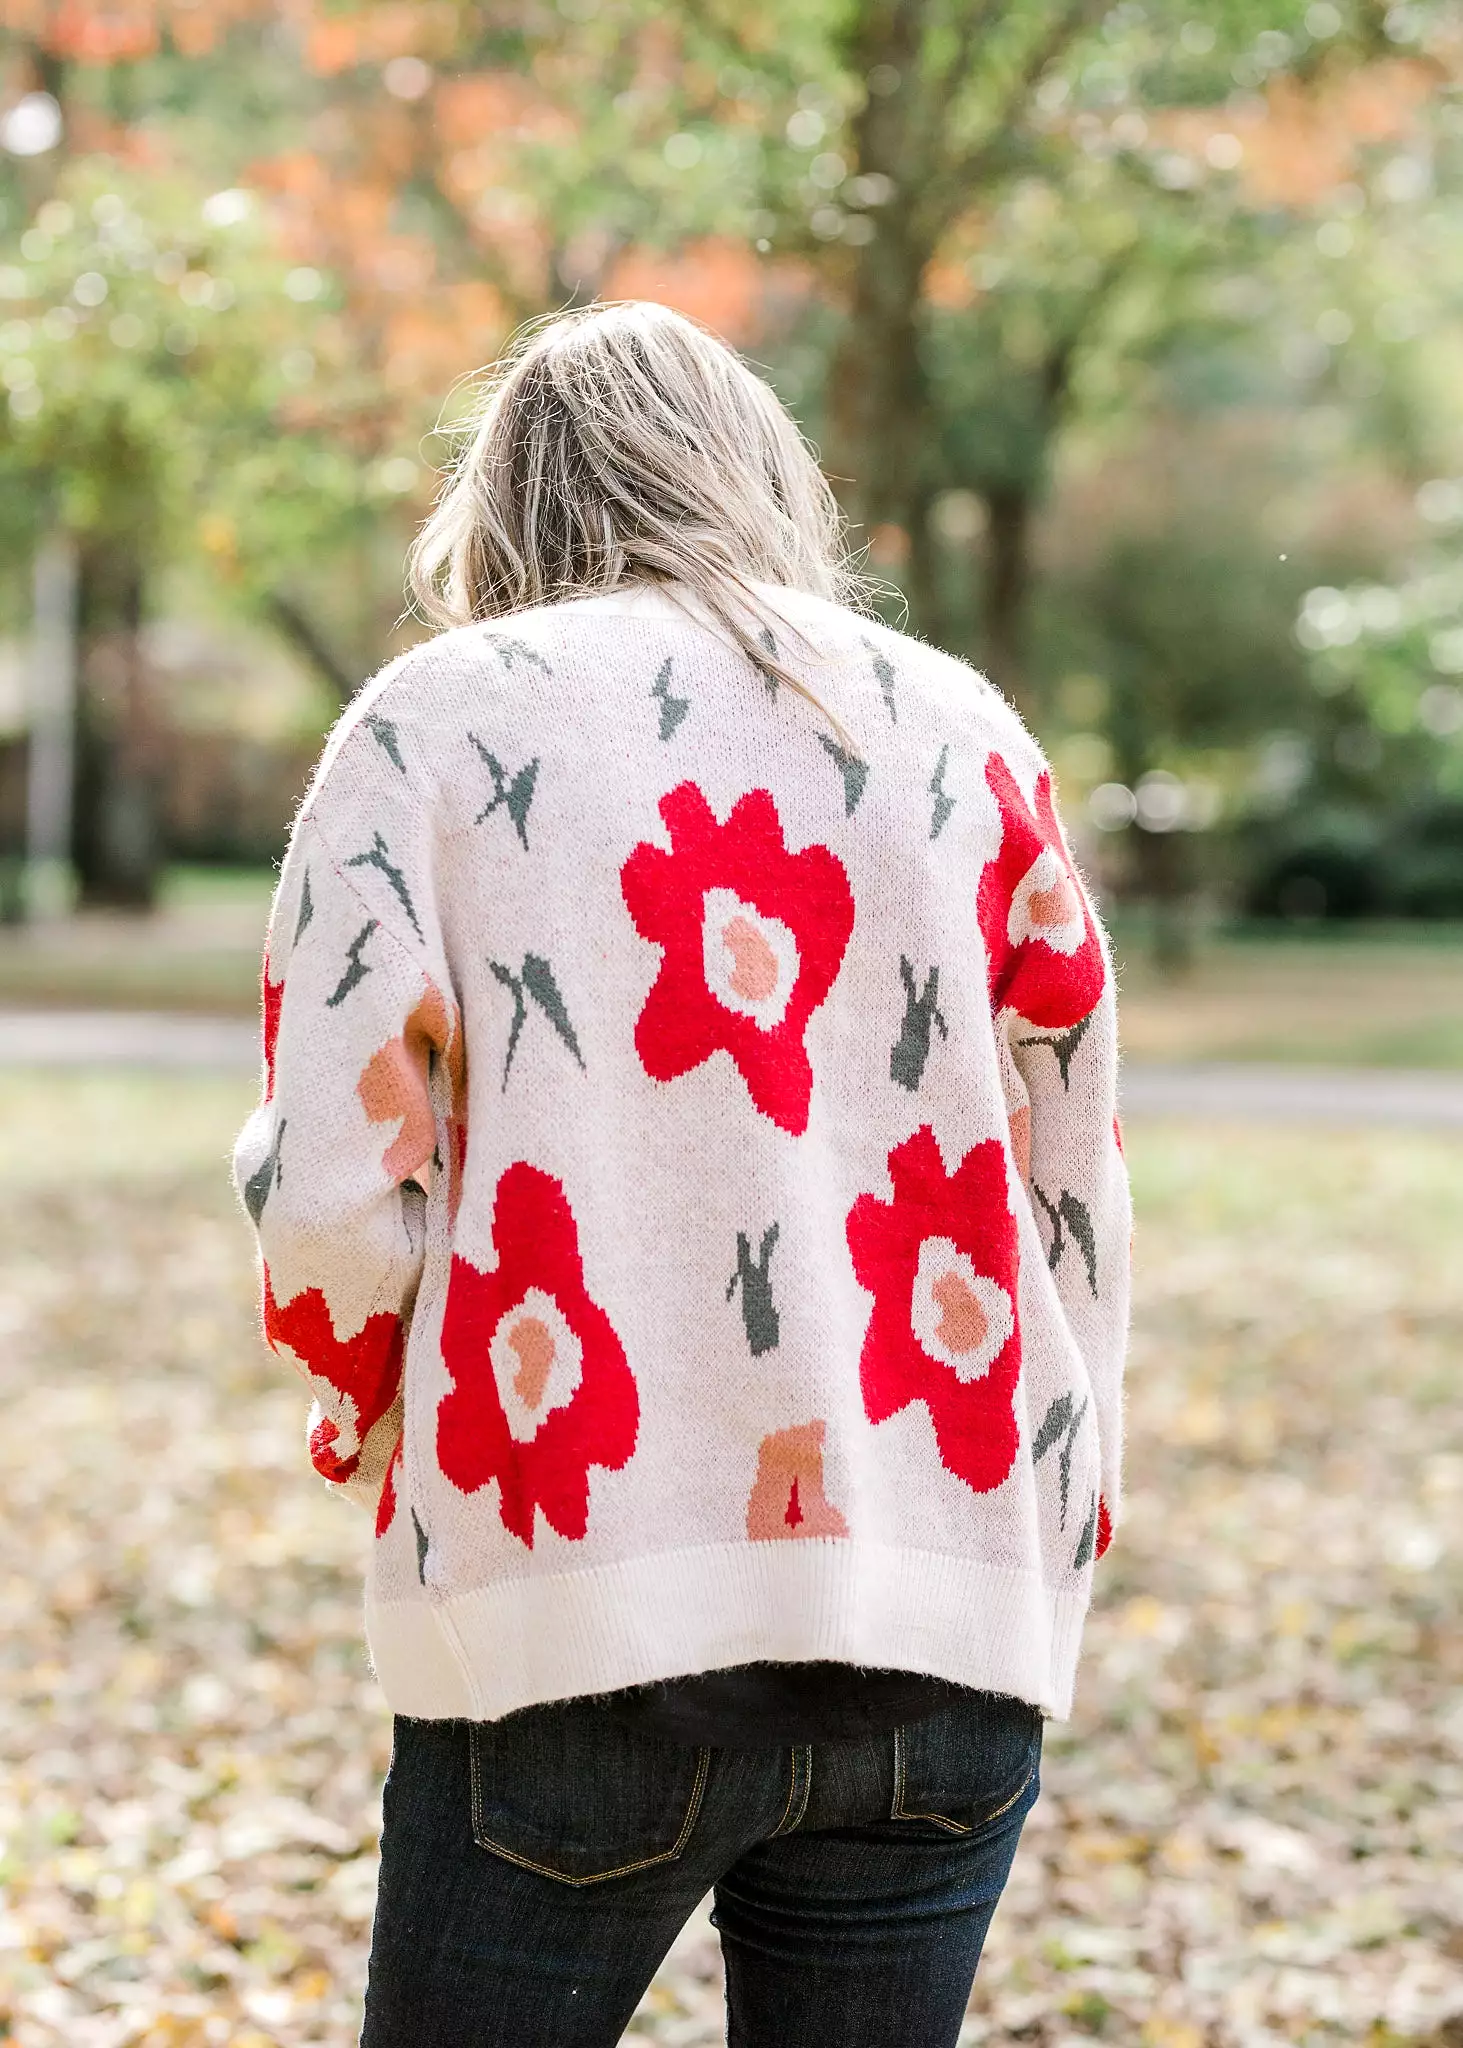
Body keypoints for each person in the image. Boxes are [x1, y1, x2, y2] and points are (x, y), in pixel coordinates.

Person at [234, 300, 1130, 2048]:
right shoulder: (964, 731)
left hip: (576, 1597)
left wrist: (370, 1416)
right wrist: (1052, 1523)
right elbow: (1073, 1166)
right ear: (760, 472)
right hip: (939, 1603)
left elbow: (333, 1193)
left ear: (503, 503)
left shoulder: (431, 728)